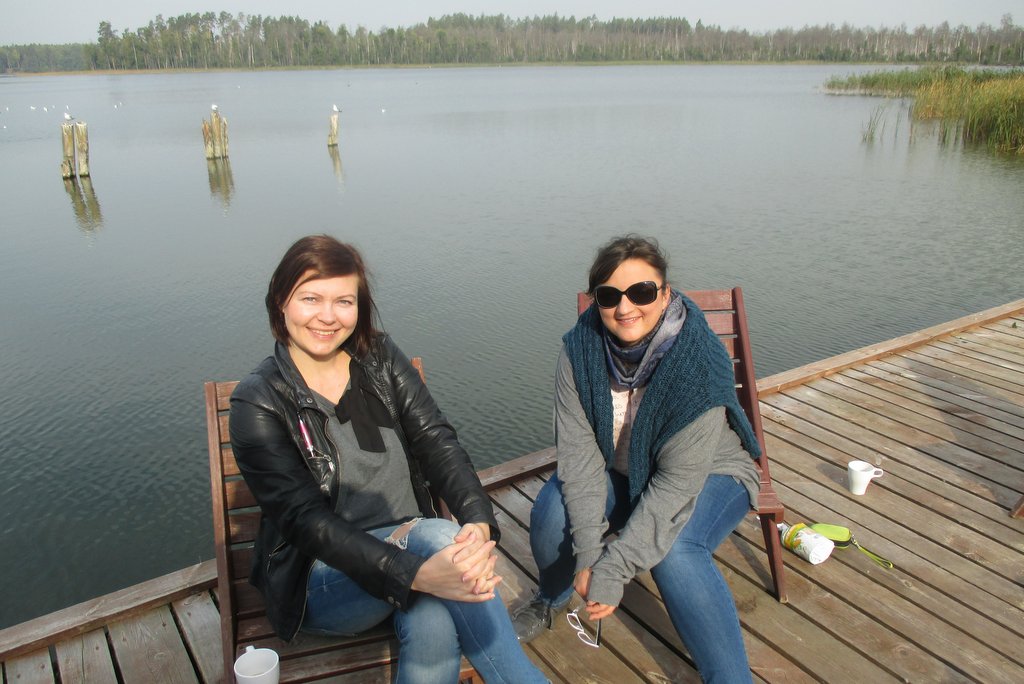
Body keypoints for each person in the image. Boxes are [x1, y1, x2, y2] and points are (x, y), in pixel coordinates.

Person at [230, 235, 546, 684]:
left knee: (434, 618)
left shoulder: (377, 358)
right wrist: (417, 569)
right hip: (325, 582)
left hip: (419, 559)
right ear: (281, 301)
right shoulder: (258, 401)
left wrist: (477, 521)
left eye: (344, 301)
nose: (328, 316)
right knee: (439, 537)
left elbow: (435, 440)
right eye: (311, 298)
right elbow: (305, 522)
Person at [512, 235, 760, 683]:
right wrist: (590, 556)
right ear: (596, 300)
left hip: (711, 471)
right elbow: (580, 457)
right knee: (552, 514)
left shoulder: (698, 364)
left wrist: (614, 568)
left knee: (677, 550)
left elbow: (674, 487)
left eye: (641, 292)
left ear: (664, 293)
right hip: (623, 468)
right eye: (609, 296)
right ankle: (551, 597)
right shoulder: (578, 350)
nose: (625, 308)